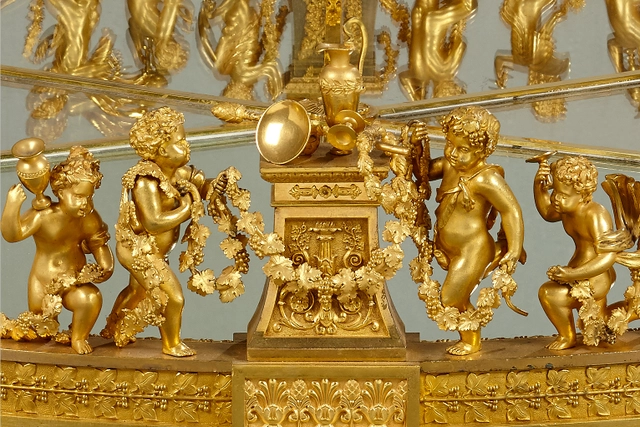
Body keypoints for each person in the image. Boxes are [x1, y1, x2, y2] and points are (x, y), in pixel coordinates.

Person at [101, 106, 216, 357]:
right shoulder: (146, 181)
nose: (187, 145)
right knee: (172, 297)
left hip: (156, 250)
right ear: (162, 149)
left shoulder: (178, 173)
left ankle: (113, 327)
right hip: (137, 250)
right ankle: (171, 344)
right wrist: (187, 208)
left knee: (137, 291)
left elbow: (202, 186)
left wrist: (217, 185)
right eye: (181, 141)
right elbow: (153, 223)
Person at [428, 106, 524, 355]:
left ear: (482, 151)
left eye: (463, 150)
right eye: (449, 144)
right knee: (453, 297)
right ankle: (469, 339)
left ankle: (472, 341)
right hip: (445, 246)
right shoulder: (449, 165)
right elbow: (423, 172)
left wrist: (514, 249)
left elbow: (511, 210)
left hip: (473, 249)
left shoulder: (486, 179)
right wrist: (417, 145)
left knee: (451, 299)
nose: (452, 153)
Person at [1, 146, 114, 354]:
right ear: (61, 192)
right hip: (41, 282)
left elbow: (99, 244)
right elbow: (12, 235)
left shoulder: (89, 218)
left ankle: (78, 337)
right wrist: (12, 206)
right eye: (78, 196)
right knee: (39, 331)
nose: (85, 203)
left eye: (89, 197)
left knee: (90, 298)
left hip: (73, 282)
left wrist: (106, 266)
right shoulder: (44, 215)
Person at [534, 156, 617, 350]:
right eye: (555, 191)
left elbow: (608, 256)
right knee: (597, 322)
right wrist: (539, 186)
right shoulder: (568, 209)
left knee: (549, 294)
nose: (556, 198)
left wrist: (573, 274)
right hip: (577, 271)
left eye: (563, 195)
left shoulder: (595, 214)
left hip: (596, 277)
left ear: (582, 194)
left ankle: (568, 337)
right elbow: (547, 212)